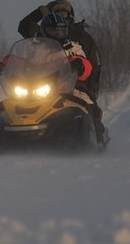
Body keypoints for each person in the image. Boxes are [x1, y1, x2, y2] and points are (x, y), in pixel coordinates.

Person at [38, 13, 109, 149]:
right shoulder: (37, 50)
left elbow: (85, 64)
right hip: (39, 88)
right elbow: (22, 61)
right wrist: (7, 65)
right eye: (53, 31)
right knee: (9, 109)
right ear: (44, 32)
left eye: (61, 31)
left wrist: (80, 65)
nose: (58, 34)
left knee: (87, 105)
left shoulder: (73, 48)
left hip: (69, 88)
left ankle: (96, 135)